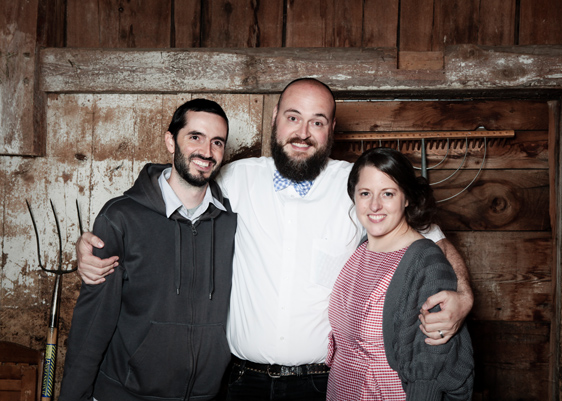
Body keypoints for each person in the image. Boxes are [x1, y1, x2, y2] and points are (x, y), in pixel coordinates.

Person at [75, 78, 474, 400]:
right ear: (275, 120)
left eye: (317, 122)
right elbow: (177, 181)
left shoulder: (357, 185)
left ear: (332, 129)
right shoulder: (236, 178)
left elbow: (432, 240)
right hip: (240, 381)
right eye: (293, 118)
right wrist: (102, 237)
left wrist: (464, 297)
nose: (303, 133)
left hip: (321, 383)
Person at [59, 99, 237, 401]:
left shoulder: (233, 219)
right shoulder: (121, 217)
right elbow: (93, 320)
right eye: (195, 137)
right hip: (125, 393)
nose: (207, 152)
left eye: (217, 142)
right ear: (171, 141)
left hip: (205, 396)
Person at [326, 147, 473, 401]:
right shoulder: (360, 249)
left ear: (406, 198)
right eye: (365, 193)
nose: (374, 205)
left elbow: (430, 369)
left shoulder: (425, 263)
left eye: (388, 193)